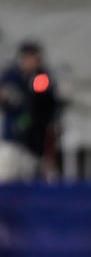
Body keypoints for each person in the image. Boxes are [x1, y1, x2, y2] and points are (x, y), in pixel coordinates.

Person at [0, 40, 62, 182]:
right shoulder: (11, 75)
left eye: (33, 57)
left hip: (33, 141)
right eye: (27, 57)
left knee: (28, 178)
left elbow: (44, 104)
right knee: (5, 175)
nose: (30, 61)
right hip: (12, 138)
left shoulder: (42, 77)